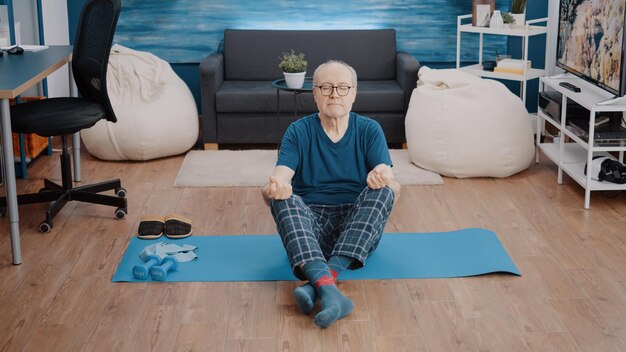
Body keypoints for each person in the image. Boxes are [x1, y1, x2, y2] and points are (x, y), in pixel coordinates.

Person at [262, 60, 400, 328]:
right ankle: (331, 293)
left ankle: (316, 286)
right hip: (310, 227)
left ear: (354, 93)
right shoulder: (298, 131)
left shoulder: (369, 130)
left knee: (384, 191)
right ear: (314, 94)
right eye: (325, 88)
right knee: (282, 198)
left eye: (342, 87)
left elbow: (393, 183)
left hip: (357, 226)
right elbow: (279, 178)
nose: (334, 93)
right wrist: (273, 189)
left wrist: (383, 179)